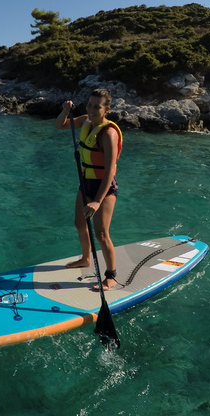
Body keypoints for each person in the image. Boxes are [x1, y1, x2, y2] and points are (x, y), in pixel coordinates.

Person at [54, 89, 123, 289]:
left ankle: (111, 275)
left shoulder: (108, 133)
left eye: (97, 106)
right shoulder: (85, 121)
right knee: (79, 223)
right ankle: (86, 258)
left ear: (106, 109)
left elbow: (110, 171)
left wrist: (97, 201)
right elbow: (59, 126)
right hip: (86, 183)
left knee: (101, 233)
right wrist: (65, 111)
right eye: (90, 104)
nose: (92, 109)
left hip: (104, 187)